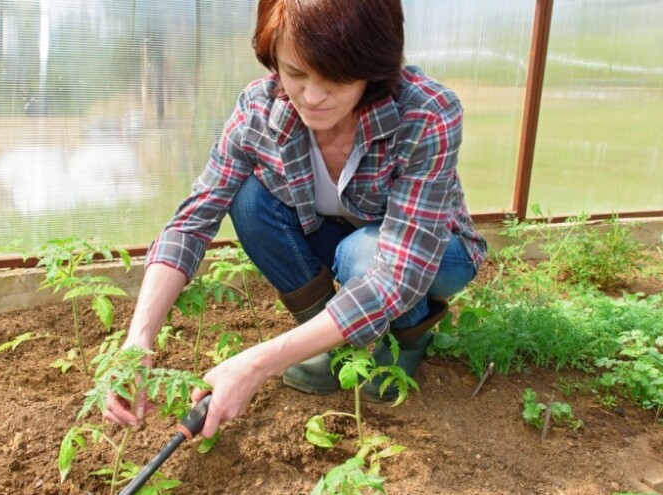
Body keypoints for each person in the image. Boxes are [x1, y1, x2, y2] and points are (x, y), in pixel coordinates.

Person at [103, 0, 486, 439]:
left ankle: (408, 339)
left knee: (363, 253)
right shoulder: (260, 110)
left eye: (335, 76)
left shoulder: (426, 113)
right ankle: (330, 345)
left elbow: (399, 272)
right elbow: (193, 220)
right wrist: (138, 341)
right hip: (346, 240)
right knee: (248, 200)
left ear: (372, 66)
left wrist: (258, 363)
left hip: (435, 253)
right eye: (296, 72)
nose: (312, 96)